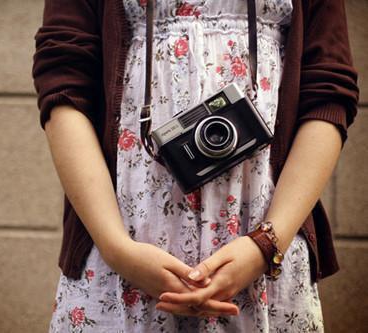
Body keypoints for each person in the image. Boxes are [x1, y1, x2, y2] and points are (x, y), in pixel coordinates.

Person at [33, 0, 358, 331]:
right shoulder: (118, 253)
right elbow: (63, 88)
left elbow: (328, 95)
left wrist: (266, 244)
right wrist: (117, 250)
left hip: (266, 252)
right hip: (121, 256)